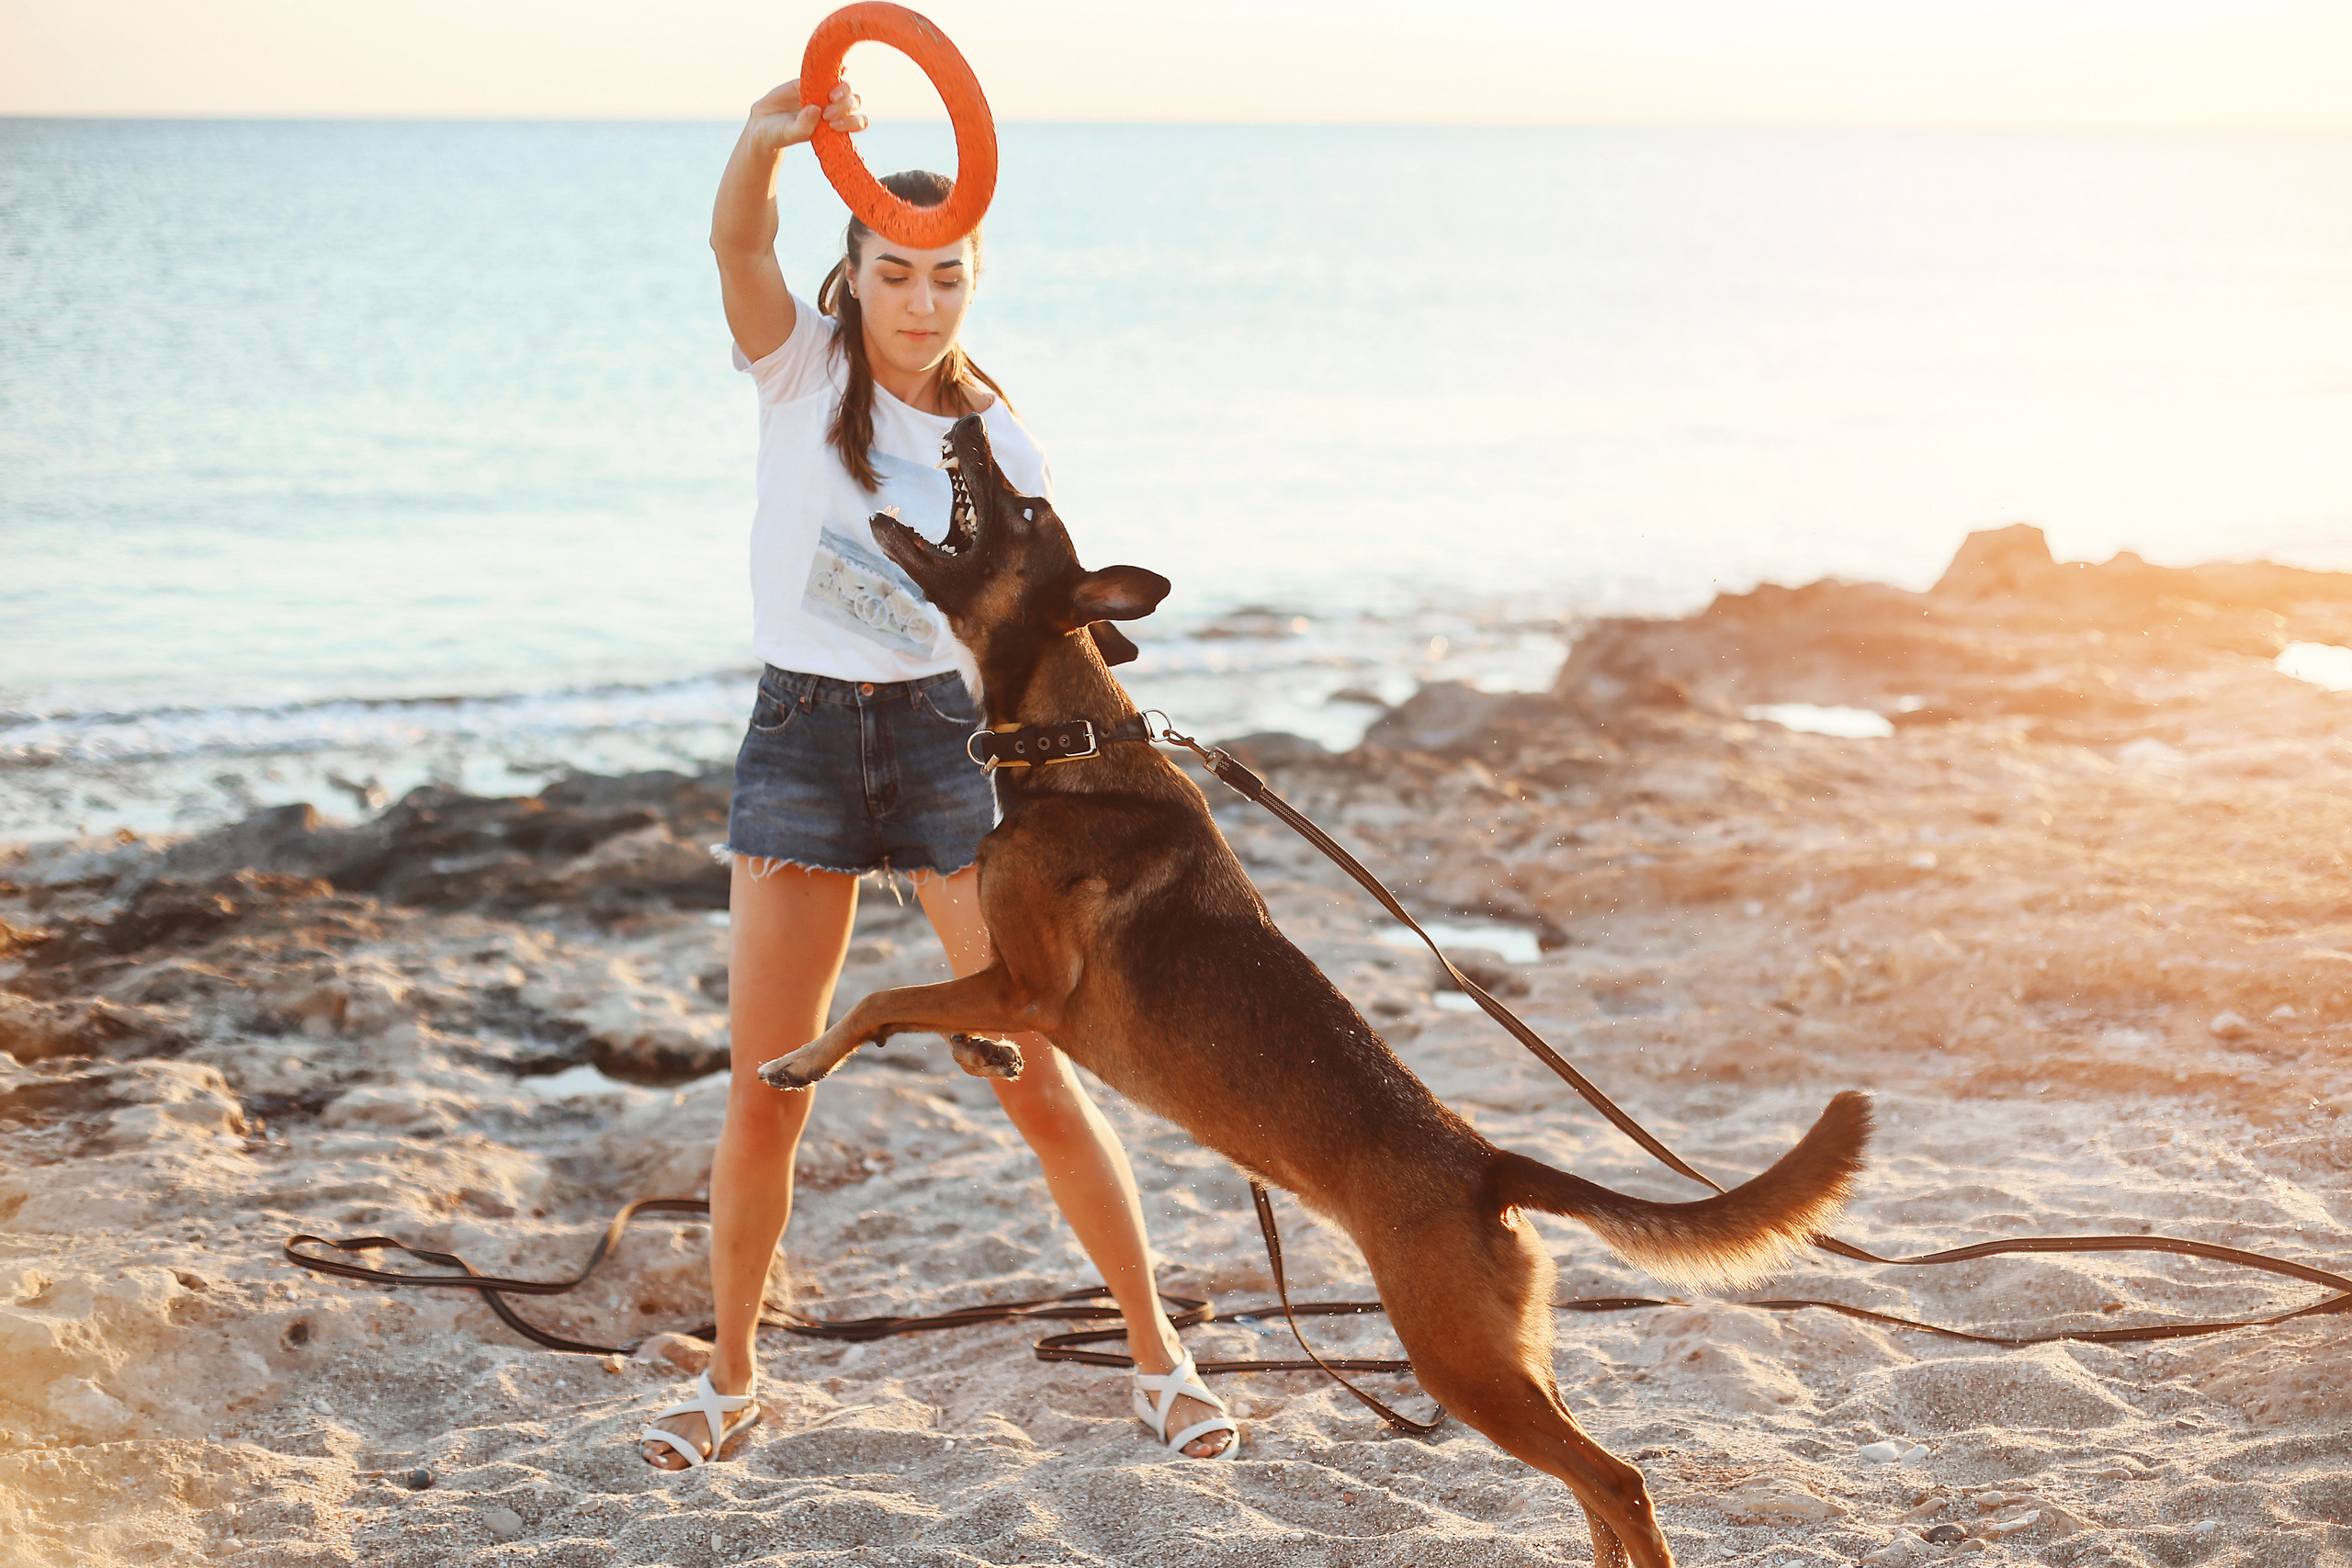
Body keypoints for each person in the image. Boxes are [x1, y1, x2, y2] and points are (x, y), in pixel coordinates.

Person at [637, 77, 1238, 1468]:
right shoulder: (803, 375)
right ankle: (729, 1378)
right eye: (894, 272)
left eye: (946, 274)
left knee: (1030, 1064)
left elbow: (1041, 636)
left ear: (975, 280)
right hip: (800, 740)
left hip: (946, 750)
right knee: (768, 1081)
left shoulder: (999, 441)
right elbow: (736, 251)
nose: (922, 299)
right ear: (849, 279)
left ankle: (1161, 1354)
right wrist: (761, 144)